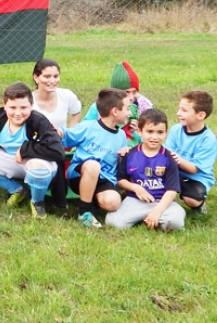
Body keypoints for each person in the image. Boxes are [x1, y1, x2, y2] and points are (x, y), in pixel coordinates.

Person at [0, 82, 65, 219]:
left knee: (38, 169)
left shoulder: (39, 121)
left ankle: (37, 201)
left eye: (23, 107)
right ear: (4, 105)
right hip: (10, 159)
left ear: (32, 105)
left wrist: (25, 149)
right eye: (12, 107)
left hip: (35, 161)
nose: (18, 113)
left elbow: (57, 150)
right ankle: (17, 189)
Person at [59, 88, 130, 228]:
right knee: (93, 165)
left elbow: (121, 164)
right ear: (115, 111)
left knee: (113, 203)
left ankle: (92, 203)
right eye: (127, 108)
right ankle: (84, 212)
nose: (129, 112)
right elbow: (67, 136)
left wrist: (126, 154)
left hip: (105, 178)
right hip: (81, 174)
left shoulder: (121, 135)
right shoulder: (88, 127)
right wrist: (59, 132)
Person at [106, 109, 185, 231]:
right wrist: (136, 188)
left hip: (162, 201)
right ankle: (147, 218)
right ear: (139, 131)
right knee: (113, 222)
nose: (154, 137)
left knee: (175, 223)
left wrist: (157, 210)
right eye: (150, 131)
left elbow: (172, 190)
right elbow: (121, 180)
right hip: (135, 200)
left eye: (160, 132)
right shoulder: (130, 154)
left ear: (166, 133)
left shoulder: (169, 157)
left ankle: (155, 217)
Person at [165, 90, 216, 215]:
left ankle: (199, 204)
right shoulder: (176, 130)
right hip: (174, 171)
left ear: (200, 115)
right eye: (179, 109)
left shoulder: (208, 139)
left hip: (195, 177)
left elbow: (193, 169)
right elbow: (166, 153)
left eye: (184, 110)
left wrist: (177, 159)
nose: (178, 113)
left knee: (192, 200)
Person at [82, 61, 151, 146]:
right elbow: (85, 130)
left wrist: (139, 130)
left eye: (134, 92)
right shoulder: (99, 107)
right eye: (126, 92)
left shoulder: (144, 107)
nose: (131, 97)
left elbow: (152, 137)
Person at [31, 59, 82, 128]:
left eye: (55, 76)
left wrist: (70, 131)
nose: (52, 81)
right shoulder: (27, 101)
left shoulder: (67, 95)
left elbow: (76, 112)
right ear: (36, 77)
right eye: (47, 77)